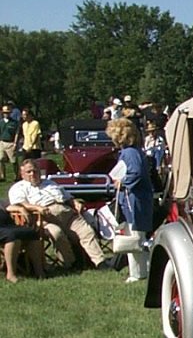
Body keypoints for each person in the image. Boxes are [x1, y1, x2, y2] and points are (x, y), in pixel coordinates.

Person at [5, 158, 109, 270]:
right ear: (22, 174)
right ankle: (70, 264)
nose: (33, 174)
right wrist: (36, 207)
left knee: (86, 232)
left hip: (66, 213)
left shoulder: (50, 183)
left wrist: (75, 202)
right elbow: (20, 204)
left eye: (35, 171)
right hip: (43, 218)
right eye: (29, 172)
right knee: (57, 233)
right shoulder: (18, 188)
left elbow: (67, 197)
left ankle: (100, 263)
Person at [106, 117, 154, 283]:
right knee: (134, 236)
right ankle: (139, 271)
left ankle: (140, 273)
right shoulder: (132, 151)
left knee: (136, 238)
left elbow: (136, 174)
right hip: (133, 199)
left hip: (135, 199)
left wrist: (122, 181)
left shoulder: (130, 153)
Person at [0, 203, 45, 282]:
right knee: (13, 237)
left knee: (32, 233)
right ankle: (11, 274)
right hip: (4, 229)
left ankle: (39, 271)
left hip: (7, 226)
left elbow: (7, 206)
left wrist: (20, 209)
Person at [0, 103, 18, 182]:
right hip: (2, 142)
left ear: (10, 113)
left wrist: (15, 143)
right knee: (0, 160)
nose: (6, 114)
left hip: (11, 143)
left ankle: (17, 176)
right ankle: (2, 176)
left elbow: (17, 133)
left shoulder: (14, 122)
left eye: (7, 112)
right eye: (4, 112)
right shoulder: (1, 122)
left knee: (13, 161)